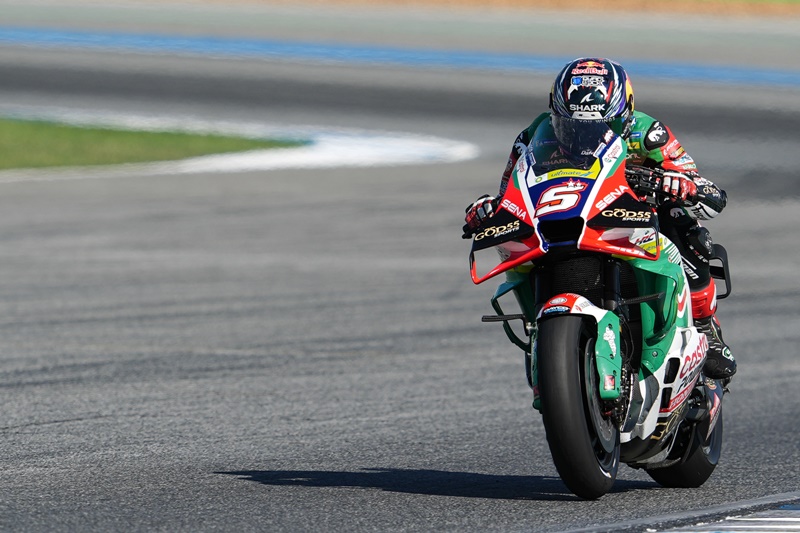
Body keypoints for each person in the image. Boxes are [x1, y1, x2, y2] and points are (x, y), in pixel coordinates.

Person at [463, 57, 736, 381]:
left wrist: (681, 184)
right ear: (555, 113)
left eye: (601, 126)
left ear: (625, 114)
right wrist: (488, 208)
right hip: (565, 217)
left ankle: (704, 326)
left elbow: (700, 187)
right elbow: (511, 190)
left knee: (679, 217)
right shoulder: (532, 136)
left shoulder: (649, 133)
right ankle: (543, 332)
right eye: (572, 126)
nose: (584, 136)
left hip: (631, 217)